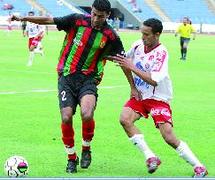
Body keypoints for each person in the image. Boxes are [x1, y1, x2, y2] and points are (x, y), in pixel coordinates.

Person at [11, 0, 124, 174]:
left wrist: (133, 86)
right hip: (66, 77)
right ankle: (71, 158)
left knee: (87, 113)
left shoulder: (111, 36)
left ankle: (86, 149)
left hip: (89, 79)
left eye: (100, 16)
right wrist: (22, 18)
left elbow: (123, 60)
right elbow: (49, 20)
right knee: (66, 117)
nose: (95, 19)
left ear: (107, 15)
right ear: (91, 11)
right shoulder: (77, 20)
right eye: (93, 14)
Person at [107, 18, 208, 178]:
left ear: (157, 34)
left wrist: (131, 66)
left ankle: (199, 167)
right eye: (142, 33)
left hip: (157, 98)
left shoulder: (162, 53)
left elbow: (153, 79)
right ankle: (150, 157)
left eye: (147, 34)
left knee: (168, 136)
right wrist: (132, 87)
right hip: (140, 95)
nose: (143, 37)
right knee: (124, 119)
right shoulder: (137, 45)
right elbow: (124, 62)